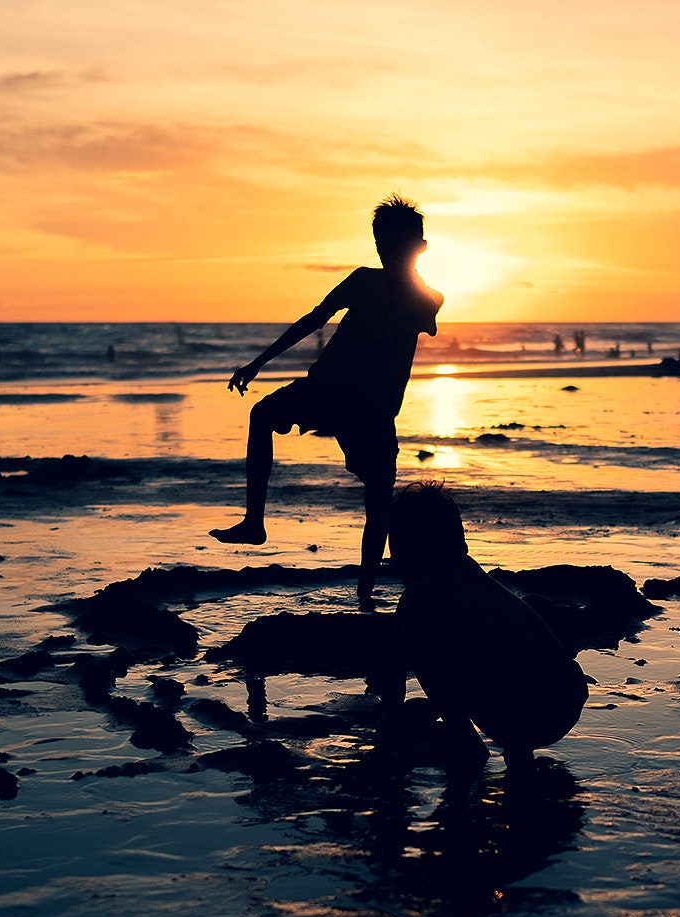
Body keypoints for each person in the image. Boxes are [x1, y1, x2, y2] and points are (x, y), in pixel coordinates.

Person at [209, 194, 443, 609]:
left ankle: (365, 597)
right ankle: (256, 524)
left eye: (385, 243)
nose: (381, 249)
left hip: (358, 404)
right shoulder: (420, 296)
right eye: (380, 243)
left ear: (404, 246)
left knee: (378, 502)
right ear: (419, 247)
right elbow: (316, 320)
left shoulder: (389, 287)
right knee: (264, 416)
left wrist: (258, 362)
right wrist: (258, 362)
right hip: (343, 395)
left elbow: (314, 319)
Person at [387, 482, 588, 771]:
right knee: (462, 648)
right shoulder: (472, 575)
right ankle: (519, 758)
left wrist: (391, 728)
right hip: (565, 692)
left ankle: (464, 741)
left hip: (531, 706)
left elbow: (397, 668)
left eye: (397, 547)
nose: (394, 559)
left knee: (421, 648)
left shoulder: (420, 596)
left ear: (408, 551)